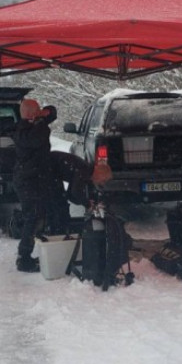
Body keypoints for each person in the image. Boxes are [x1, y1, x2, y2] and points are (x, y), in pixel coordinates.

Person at [12, 98, 54, 272]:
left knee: (36, 214)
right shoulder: (24, 132)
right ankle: (24, 257)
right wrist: (41, 120)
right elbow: (40, 135)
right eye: (36, 110)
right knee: (32, 217)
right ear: (31, 114)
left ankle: (26, 252)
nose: (39, 113)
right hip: (27, 181)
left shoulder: (34, 125)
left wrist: (46, 112)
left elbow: (52, 113)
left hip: (34, 179)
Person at [46, 151, 114, 234]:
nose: (102, 183)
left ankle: (58, 227)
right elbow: (76, 192)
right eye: (103, 180)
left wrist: (88, 202)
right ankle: (57, 229)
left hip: (51, 171)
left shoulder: (86, 172)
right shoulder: (84, 170)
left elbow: (71, 195)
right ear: (100, 174)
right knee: (57, 202)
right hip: (48, 169)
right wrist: (87, 204)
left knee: (60, 202)